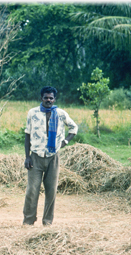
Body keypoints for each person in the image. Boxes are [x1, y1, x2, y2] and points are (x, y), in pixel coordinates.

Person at [23, 86, 78, 226]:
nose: (48, 100)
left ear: (54, 99)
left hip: (53, 157)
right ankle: (28, 221)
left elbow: (74, 128)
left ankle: (47, 222)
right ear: (41, 98)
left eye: (51, 98)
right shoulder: (32, 113)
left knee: (51, 191)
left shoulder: (60, 114)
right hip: (36, 157)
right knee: (32, 190)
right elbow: (27, 135)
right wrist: (27, 157)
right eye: (46, 97)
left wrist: (65, 141)